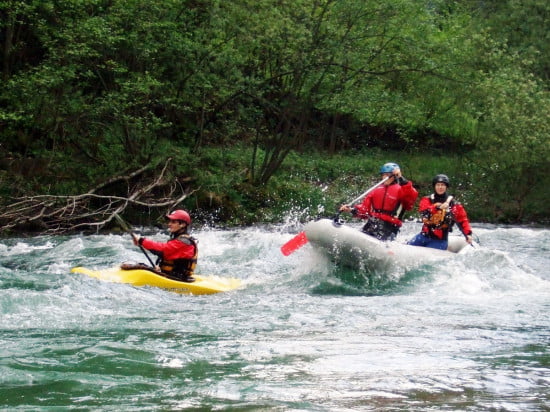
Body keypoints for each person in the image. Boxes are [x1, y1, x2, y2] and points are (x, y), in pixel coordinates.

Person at [339, 162, 418, 241]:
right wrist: (351, 210)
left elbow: (411, 198)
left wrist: (401, 178)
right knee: (360, 237)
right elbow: (365, 210)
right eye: (383, 174)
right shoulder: (376, 190)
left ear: (394, 176)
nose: (384, 177)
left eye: (387, 175)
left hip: (390, 226)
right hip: (373, 223)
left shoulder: (402, 190)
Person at [407, 174, 473, 250]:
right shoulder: (427, 200)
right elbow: (424, 212)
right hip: (423, 236)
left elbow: (463, 220)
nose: (440, 187)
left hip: (439, 240)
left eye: (442, 185)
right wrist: (437, 207)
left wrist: (468, 234)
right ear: (434, 186)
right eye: (438, 185)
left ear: (446, 187)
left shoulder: (454, 204)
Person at [132, 209, 198, 282]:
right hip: (171, 275)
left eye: (173, 222)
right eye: (169, 221)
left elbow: (162, 250)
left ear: (183, 224)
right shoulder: (178, 239)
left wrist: (141, 241)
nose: (169, 224)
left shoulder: (184, 242)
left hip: (177, 279)